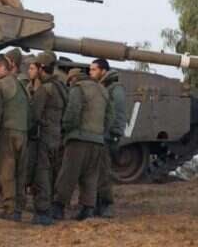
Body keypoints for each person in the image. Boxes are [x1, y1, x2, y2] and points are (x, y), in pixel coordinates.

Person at [52, 68, 113, 221]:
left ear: (73, 79)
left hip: (78, 139)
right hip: (97, 140)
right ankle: (87, 209)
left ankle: (58, 208)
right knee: (91, 176)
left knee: (68, 174)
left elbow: (72, 113)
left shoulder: (78, 88)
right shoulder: (103, 90)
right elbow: (110, 117)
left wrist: (66, 129)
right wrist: (100, 133)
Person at [27, 53, 68, 226]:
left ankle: (42, 211)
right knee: (52, 172)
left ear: (41, 68)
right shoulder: (60, 87)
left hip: (43, 136)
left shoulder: (45, 89)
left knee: (41, 173)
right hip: (56, 136)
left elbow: (34, 115)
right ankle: (51, 207)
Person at [0, 55, 30, 222]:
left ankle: (10, 209)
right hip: (23, 133)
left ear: (2, 67)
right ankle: (18, 207)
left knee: (6, 172)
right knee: (20, 172)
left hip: (6, 133)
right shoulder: (20, 84)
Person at [89, 58, 126, 218]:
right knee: (96, 171)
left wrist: (112, 134)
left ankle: (105, 205)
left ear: (103, 71)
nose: (90, 72)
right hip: (100, 135)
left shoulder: (114, 89)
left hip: (107, 137)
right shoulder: (104, 87)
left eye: (94, 70)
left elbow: (117, 114)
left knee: (103, 172)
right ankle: (97, 204)